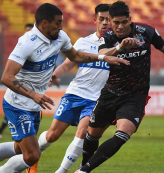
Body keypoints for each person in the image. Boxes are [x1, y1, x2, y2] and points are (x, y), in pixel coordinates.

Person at [0, 3, 129, 173]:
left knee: (20, 149)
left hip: (35, 105)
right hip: (17, 104)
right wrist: (33, 94)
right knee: (32, 155)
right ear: (45, 23)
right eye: (57, 23)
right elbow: (6, 77)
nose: (61, 27)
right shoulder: (27, 42)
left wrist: (102, 57)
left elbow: (75, 56)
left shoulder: (60, 37)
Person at [76, 1, 164, 173]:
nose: (120, 26)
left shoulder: (146, 31)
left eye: (124, 22)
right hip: (110, 93)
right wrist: (120, 47)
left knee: (122, 134)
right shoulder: (108, 36)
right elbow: (102, 54)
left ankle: (83, 171)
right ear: (110, 21)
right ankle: (84, 166)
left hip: (135, 95)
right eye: (116, 22)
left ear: (130, 19)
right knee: (92, 134)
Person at [29, 4, 110, 173]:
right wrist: (55, 74)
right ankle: (34, 156)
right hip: (75, 94)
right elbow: (67, 65)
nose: (105, 22)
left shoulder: (118, 46)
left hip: (96, 99)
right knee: (52, 135)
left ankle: (61, 171)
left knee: (82, 133)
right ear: (95, 19)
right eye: (101, 19)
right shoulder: (83, 42)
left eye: (108, 19)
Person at [0, 23, 35, 139]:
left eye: (30, 30)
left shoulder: (36, 48)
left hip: (32, 87)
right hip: (19, 84)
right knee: (15, 107)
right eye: (26, 30)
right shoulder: (22, 46)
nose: (28, 32)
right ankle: (1, 131)